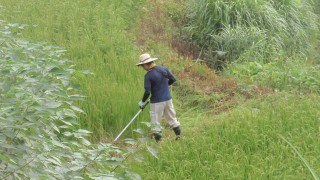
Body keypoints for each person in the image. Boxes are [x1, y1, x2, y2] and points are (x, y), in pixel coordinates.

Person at [136, 53, 181, 142]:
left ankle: (158, 144)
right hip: (168, 99)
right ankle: (179, 138)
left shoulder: (148, 76)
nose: (143, 68)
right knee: (172, 119)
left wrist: (142, 101)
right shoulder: (163, 69)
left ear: (145, 64)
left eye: (142, 66)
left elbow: (148, 91)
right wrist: (164, 86)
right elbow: (173, 79)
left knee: (155, 123)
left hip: (157, 102)